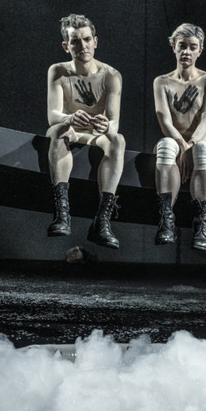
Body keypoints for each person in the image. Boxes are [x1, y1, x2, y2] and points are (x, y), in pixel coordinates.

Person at [45, 14, 125, 249]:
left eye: (87, 39)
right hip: (69, 130)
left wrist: (106, 125)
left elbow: (115, 122)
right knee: (57, 131)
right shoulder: (58, 71)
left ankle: (102, 221)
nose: (83, 46)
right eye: (75, 41)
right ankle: (62, 214)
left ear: (95, 41)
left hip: (95, 134)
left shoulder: (111, 75)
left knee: (117, 140)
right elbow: (53, 116)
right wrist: (69, 117)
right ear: (66, 46)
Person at [152, 23, 206, 252]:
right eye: (182, 46)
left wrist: (190, 144)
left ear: (200, 50)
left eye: (192, 47)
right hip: (174, 141)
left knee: (202, 148)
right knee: (166, 144)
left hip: (200, 141)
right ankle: (166, 220)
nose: (186, 52)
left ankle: (202, 225)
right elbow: (165, 121)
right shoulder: (161, 82)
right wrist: (182, 145)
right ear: (173, 46)